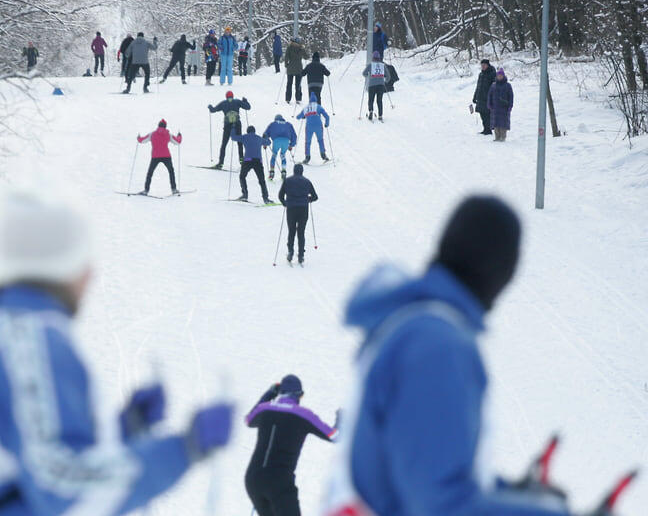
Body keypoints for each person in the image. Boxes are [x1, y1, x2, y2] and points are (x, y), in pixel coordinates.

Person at [0, 191, 233, 516]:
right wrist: (183, 449)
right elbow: (64, 492)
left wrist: (123, 430)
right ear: (61, 264)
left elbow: (28, 455)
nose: (91, 273)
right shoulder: (31, 344)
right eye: (83, 259)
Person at [322, 196, 572, 516]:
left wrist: (507, 495)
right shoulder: (436, 344)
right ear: (500, 267)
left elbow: (414, 466)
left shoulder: (413, 324)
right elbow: (438, 505)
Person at [244, 375, 337, 515]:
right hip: (279, 482)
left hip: (253, 479)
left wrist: (269, 394)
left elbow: (248, 420)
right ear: (299, 395)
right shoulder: (303, 414)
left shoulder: (264, 409)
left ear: (279, 392)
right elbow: (334, 436)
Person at [278, 165, 318, 265]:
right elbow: (315, 197)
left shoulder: (287, 180)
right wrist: (308, 199)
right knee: (301, 232)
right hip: (303, 209)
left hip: (291, 208)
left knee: (291, 231)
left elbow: (280, 195)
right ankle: (301, 255)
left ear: (294, 170)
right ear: (302, 171)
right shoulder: (307, 181)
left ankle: (290, 252)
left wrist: (285, 203)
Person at [136, 119, 182, 196]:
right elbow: (177, 142)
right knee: (171, 172)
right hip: (166, 156)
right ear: (165, 126)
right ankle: (174, 189)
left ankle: (146, 190)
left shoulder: (152, 134)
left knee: (150, 173)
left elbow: (142, 140)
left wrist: (138, 137)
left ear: (158, 125)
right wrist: (179, 136)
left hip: (155, 156)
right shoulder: (168, 134)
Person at [207, 91, 252, 168]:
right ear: (233, 96)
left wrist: (210, 106)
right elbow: (248, 107)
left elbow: (213, 110)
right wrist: (245, 101)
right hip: (237, 124)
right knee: (239, 143)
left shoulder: (223, 103)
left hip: (227, 125)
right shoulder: (237, 101)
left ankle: (220, 163)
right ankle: (241, 160)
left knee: (224, 144)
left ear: (226, 97)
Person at [231, 125, 273, 204]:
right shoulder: (259, 138)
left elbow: (233, 137)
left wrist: (233, 128)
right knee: (262, 180)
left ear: (247, 131)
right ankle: (266, 198)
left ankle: (245, 195)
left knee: (242, 176)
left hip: (248, 160)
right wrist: (266, 136)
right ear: (254, 131)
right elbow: (268, 142)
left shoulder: (245, 137)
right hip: (258, 161)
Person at [296, 92, 330, 163]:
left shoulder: (306, 107)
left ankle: (307, 157)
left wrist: (303, 116)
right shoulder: (318, 106)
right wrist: (326, 124)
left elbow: (298, 117)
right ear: (316, 100)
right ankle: (323, 155)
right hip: (318, 125)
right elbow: (327, 116)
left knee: (307, 142)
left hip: (309, 126)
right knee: (320, 140)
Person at [263, 114, 297, 180]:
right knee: (283, 155)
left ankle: (272, 172)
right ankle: (283, 171)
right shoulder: (288, 124)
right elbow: (294, 135)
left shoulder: (273, 124)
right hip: (286, 141)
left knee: (274, 155)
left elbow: (265, 134)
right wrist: (291, 145)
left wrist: (265, 143)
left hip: (276, 140)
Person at [487, 68, 513, 142]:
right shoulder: (493, 85)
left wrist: (510, 106)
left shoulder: (508, 85)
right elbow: (490, 95)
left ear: (503, 76)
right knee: (495, 123)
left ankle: (503, 136)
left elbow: (511, 96)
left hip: (504, 107)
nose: (499, 77)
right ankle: (497, 137)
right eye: (498, 75)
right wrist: (489, 104)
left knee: (503, 123)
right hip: (495, 108)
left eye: (501, 75)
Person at [472, 59, 496, 135]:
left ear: (488, 65)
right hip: (480, 97)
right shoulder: (481, 74)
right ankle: (485, 129)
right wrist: (475, 96)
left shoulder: (492, 74)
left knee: (488, 114)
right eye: (481, 65)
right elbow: (478, 86)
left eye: (484, 65)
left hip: (488, 98)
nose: (483, 67)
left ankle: (489, 130)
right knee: (482, 114)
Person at [362, 51, 386, 121]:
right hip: (381, 85)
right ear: (379, 58)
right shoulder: (382, 65)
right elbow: (387, 75)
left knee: (371, 100)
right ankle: (380, 115)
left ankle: (371, 111)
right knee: (379, 100)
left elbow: (364, 73)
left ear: (373, 57)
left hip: (372, 85)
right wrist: (384, 80)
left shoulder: (370, 65)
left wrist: (367, 75)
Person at [284, 37, 308, 103]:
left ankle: (288, 99)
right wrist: (303, 49)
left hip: (290, 68)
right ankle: (298, 98)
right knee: (298, 84)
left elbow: (286, 57)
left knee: (289, 84)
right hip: (299, 69)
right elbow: (306, 57)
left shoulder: (289, 47)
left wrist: (286, 65)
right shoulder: (301, 48)